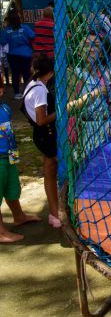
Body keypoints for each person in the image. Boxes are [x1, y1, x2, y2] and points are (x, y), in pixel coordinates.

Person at [21, 53, 60, 228]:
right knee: (51, 171)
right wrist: (62, 112)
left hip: (43, 135)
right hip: (46, 134)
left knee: (50, 171)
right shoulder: (39, 90)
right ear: (50, 72)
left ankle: (54, 212)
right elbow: (41, 120)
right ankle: (55, 212)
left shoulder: (33, 84)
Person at [0, 86, 40, 242]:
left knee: (12, 188)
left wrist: (14, 157)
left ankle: (19, 216)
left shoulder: (5, 108)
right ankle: (1, 232)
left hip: (9, 155)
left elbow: (8, 132)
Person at [0, 12, 35, 100]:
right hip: (26, 54)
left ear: (10, 21)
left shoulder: (6, 30)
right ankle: (29, 92)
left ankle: (16, 93)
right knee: (26, 73)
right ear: (19, 19)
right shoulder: (25, 27)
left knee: (15, 74)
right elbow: (33, 36)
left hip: (12, 55)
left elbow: (2, 41)